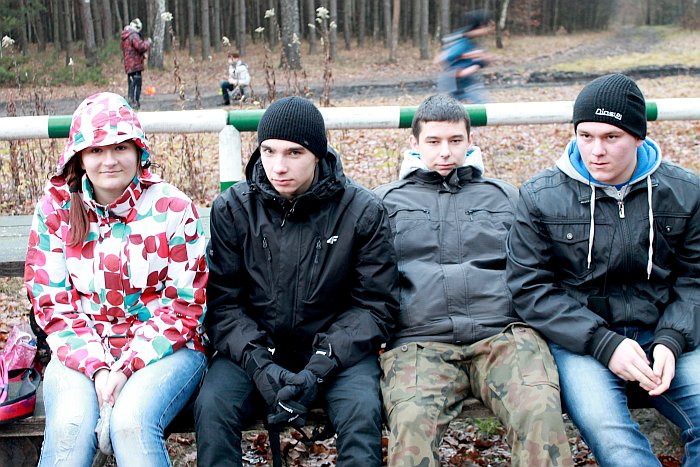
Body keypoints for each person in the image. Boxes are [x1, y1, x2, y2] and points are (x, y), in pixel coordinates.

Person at [194, 96, 400, 466]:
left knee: (361, 414)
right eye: (268, 151)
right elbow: (223, 303)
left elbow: (374, 307)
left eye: (294, 153)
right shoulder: (233, 208)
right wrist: (260, 365)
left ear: (317, 154)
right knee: (213, 407)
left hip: (337, 353)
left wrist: (320, 366)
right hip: (253, 350)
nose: (279, 166)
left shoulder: (362, 211)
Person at [506, 74, 700, 466]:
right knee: (615, 441)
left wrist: (672, 338)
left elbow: (695, 279)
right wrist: (603, 343)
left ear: (638, 137)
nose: (596, 151)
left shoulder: (685, 191)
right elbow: (530, 288)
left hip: (665, 332)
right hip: (583, 342)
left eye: (612, 137)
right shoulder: (541, 196)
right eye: (586, 136)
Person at [373, 94, 573, 467]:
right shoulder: (384, 202)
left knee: (538, 411)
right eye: (433, 141)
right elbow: (369, 279)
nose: (445, 152)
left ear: (470, 140)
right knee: (411, 424)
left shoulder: (504, 196)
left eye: (455, 141)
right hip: (420, 342)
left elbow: (536, 267)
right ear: (414, 143)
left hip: (502, 337)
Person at [25, 92, 208, 467]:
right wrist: (97, 367)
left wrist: (126, 367)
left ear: (139, 151)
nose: (109, 160)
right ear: (79, 157)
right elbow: (52, 304)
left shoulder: (172, 208)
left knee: (131, 424)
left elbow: (185, 306)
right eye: (96, 150)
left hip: (166, 349)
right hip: (79, 349)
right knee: (70, 427)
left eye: (121, 147)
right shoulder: (55, 212)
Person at [436, 10, 494, 104]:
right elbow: (441, 59)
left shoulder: (472, 43)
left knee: (479, 104)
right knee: (481, 106)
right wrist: (463, 72)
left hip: (468, 82)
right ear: (477, 27)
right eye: (487, 28)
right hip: (455, 85)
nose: (489, 31)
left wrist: (485, 59)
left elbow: (479, 61)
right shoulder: (462, 43)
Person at [120, 18, 152, 110]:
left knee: (131, 84)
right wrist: (148, 42)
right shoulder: (133, 35)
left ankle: (131, 102)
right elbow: (141, 47)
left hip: (129, 65)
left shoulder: (125, 36)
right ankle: (134, 103)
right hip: (135, 65)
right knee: (136, 84)